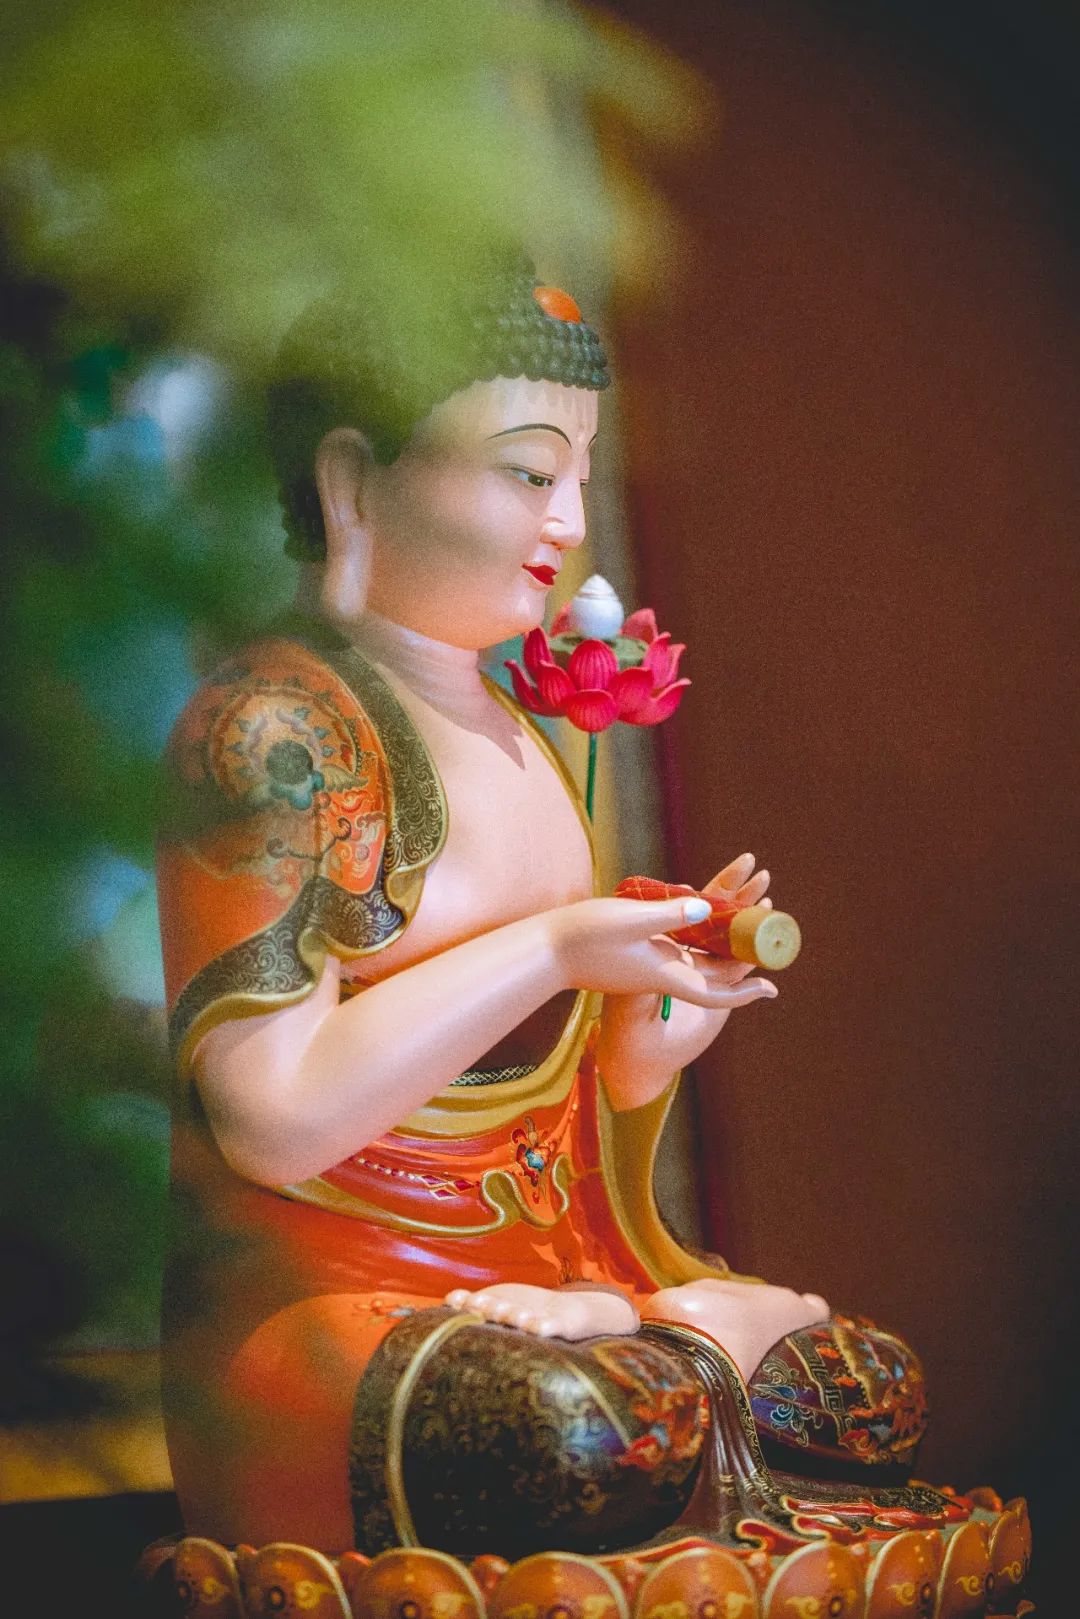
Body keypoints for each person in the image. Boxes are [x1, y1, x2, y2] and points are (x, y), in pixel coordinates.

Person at [156, 261, 927, 1559]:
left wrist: (641, 1046)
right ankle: (667, 1349)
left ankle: (662, 1340)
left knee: (859, 1390)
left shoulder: (528, 739)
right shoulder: (272, 730)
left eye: (579, 476)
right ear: (353, 483)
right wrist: (560, 944)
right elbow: (270, 1119)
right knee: (573, 1431)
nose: (567, 522)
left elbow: (548, 1114)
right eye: (527, 472)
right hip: (334, 1307)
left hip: (556, 1282)